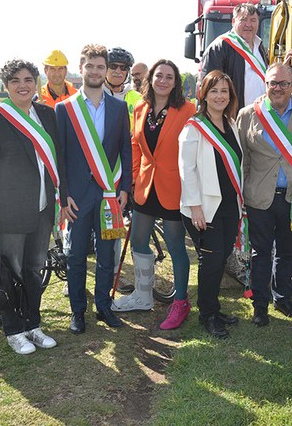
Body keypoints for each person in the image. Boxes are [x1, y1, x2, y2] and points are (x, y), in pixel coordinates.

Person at [0, 59, 68, 354]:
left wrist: (63, 197)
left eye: (28, 79)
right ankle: (13, 328)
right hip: (9, 212)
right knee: (9, 272)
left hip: (43, 210)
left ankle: (33, 324)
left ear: (36, 82)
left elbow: (59, 160)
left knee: (34, 270)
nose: (23, 85)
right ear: (6, 86)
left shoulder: (47, 114)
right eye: (15, 81)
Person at [113, 59, 196, 331]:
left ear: (176, 82)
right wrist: (135, 177)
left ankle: (181, 302)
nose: (163, 80)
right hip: (145, 188)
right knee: (138, 241)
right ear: (151, 79)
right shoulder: (140, 108)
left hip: (174, 188)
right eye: (159, 75)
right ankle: (143, 295)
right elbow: (135, 144)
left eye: (169, 77)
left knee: (175, 246)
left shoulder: (188, 110)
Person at [56, 44, 132, 334]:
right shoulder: (66, 109)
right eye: (91, 66)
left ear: (107, 70)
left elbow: (126, 150)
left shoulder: (119, 107)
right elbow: (59, 156)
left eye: (102, 67)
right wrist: (63, 197)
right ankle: (78, 311)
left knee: (106, 254)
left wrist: (125, 188)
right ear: (82, 67)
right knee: (75, 256)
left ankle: (103, 306)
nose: (96, 71)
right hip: (76, 196)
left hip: (109, 194)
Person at [237, 63, 292, 326]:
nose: (279, 88)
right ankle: (260, 305)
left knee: (286, 251)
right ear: (266, 84)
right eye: (273, 83)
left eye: (284, 83)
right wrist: (241, 195)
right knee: (261, 252)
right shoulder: (248, 114)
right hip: (259, 195)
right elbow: (243, 159)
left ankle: (282, 298)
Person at [179, 70, 244, 339]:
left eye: (224, 91)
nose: (220, 96)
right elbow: (187, 169)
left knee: (220, 260)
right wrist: (195, 207)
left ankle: (214, 309)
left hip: (230, 206)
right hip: (205, 209)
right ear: (203, 94)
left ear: (231, 97)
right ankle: (207, 315)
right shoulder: (193, 127)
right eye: (214, 91)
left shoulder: (231, 124)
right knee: (211, 260)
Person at [103, 47, 142, 295]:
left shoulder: (135, 98)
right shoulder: (94, 93)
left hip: (122, 171)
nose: (117, 71)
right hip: (96, 169)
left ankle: (113, 273)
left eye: (122, 68)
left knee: (114, 228)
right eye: (113, 66)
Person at [201, 3, 269, 110]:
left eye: (253, 20)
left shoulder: (260, 46)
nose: (248, 24)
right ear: (233, 22)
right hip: (234, 117)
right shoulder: (219, 47)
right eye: (243, 20)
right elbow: (209, 87)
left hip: (261, 116)